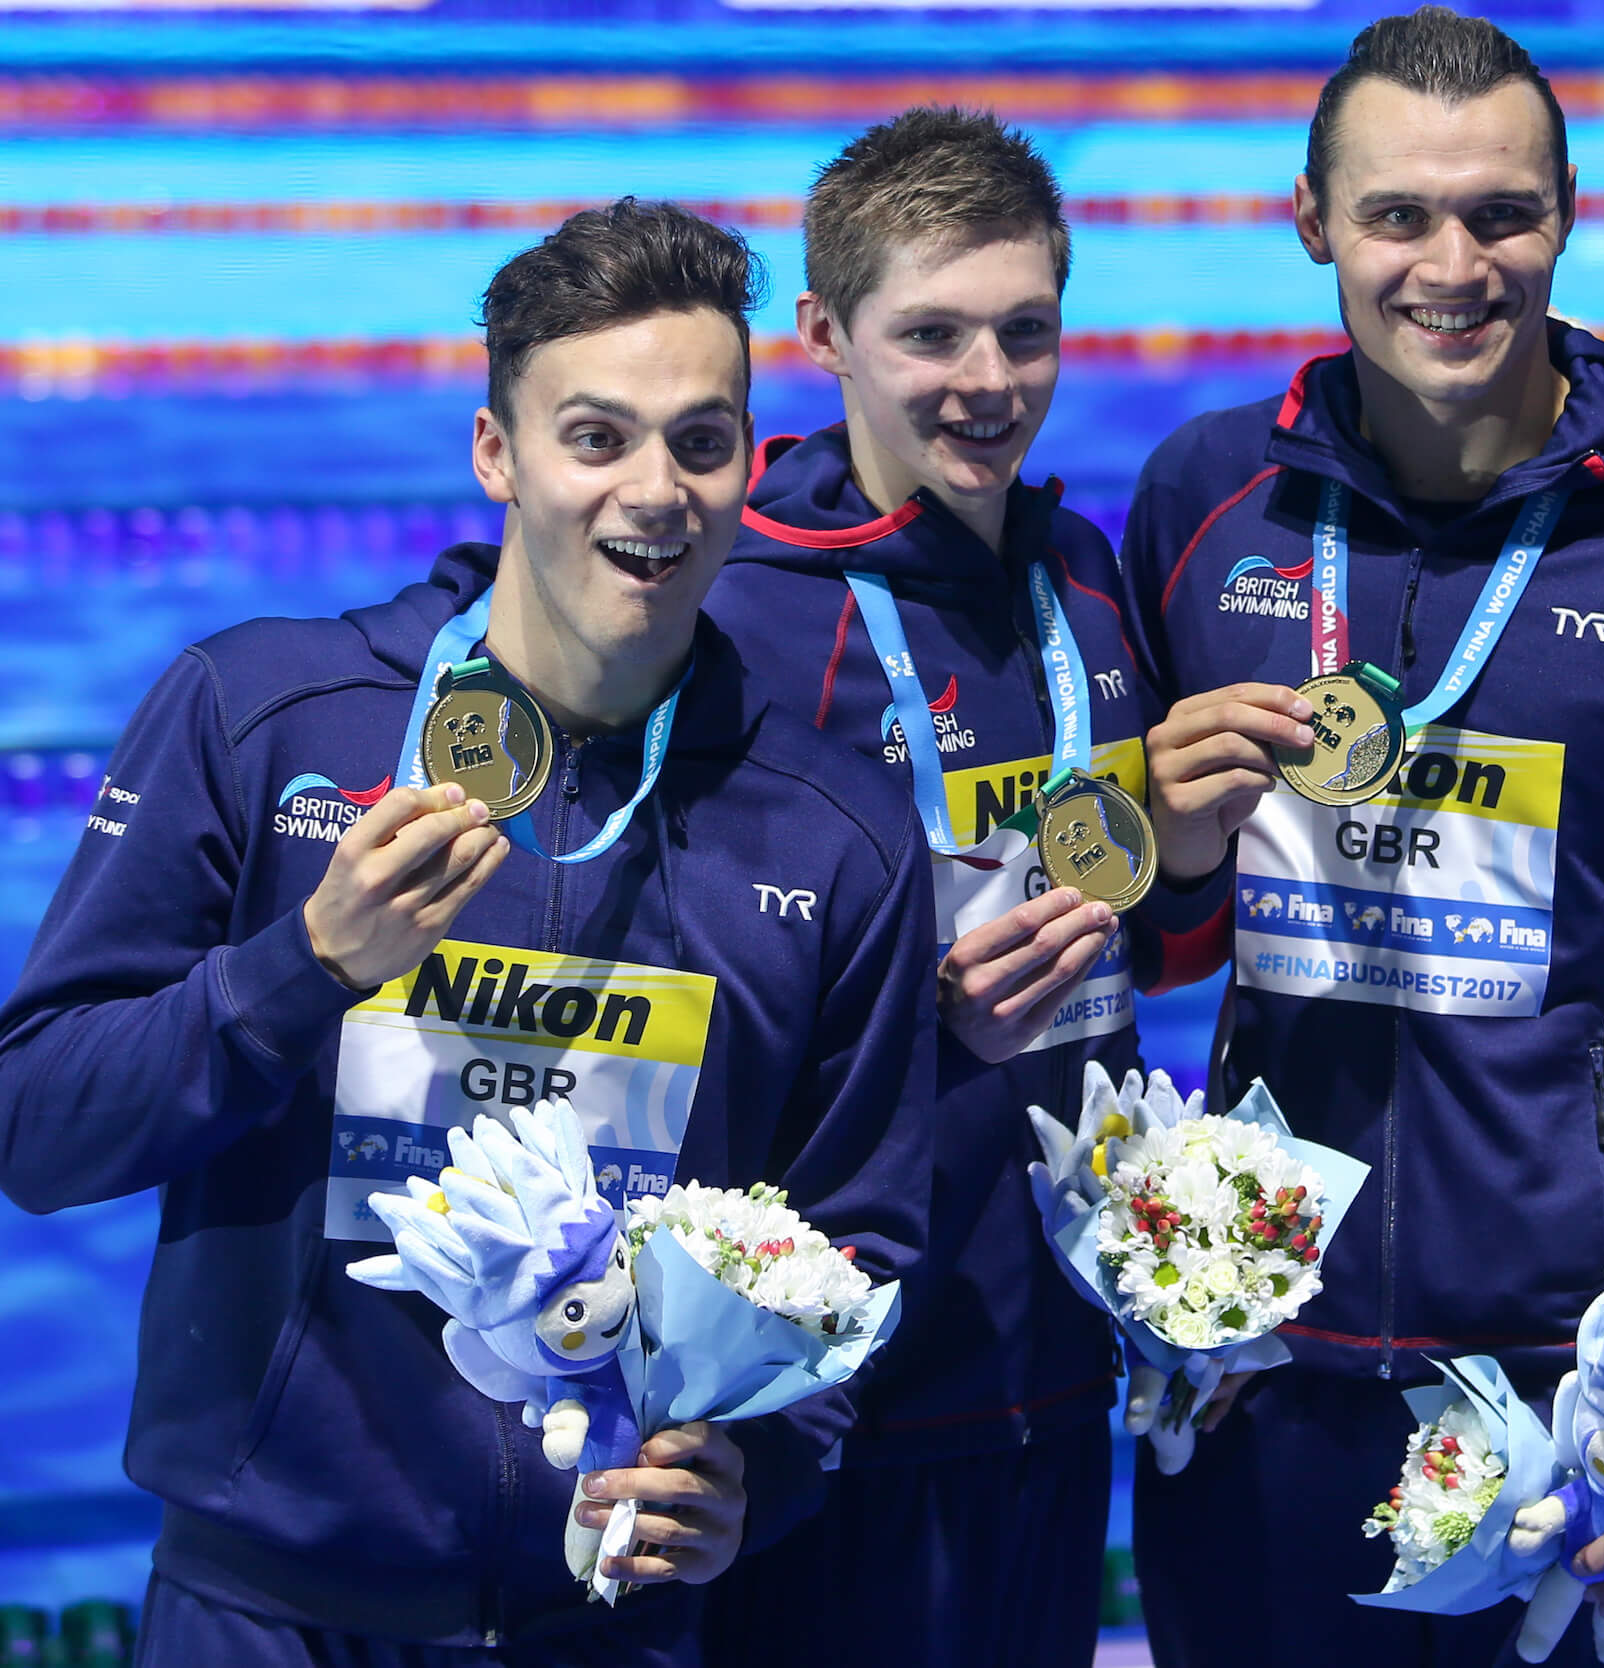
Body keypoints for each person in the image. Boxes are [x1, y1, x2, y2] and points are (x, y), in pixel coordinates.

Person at [0, 199, 936, 1665]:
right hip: (275, 1612)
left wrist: (772, 1465)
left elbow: (857, 1240)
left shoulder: (832, 831)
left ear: (752, 466)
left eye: (702, 441)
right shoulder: (265, 720)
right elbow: (37, 1127)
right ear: (496, 452)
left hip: (612, 1621)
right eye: (596, 436)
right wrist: (297, 970)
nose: (657, 489)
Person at [1114, 10, 1604, 1662]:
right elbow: (1154, 943)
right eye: (1398, 215)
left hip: (1592, 1426)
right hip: (1259, 1387)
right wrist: (1162, 857)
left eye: (1501, 215)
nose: (1452, 265)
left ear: (1570, 213)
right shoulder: (1204, 506)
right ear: (1311, 219)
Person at [427, 111, 1162, 1667]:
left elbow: (1136, 927)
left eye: (1026, 330)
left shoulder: (1080, 578)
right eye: (932, 333)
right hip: (816, 1401)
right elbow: (632, 978)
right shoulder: (732, 605)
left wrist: (1196, 859)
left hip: (1050, 1351)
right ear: (824, 336)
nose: (988, 378)